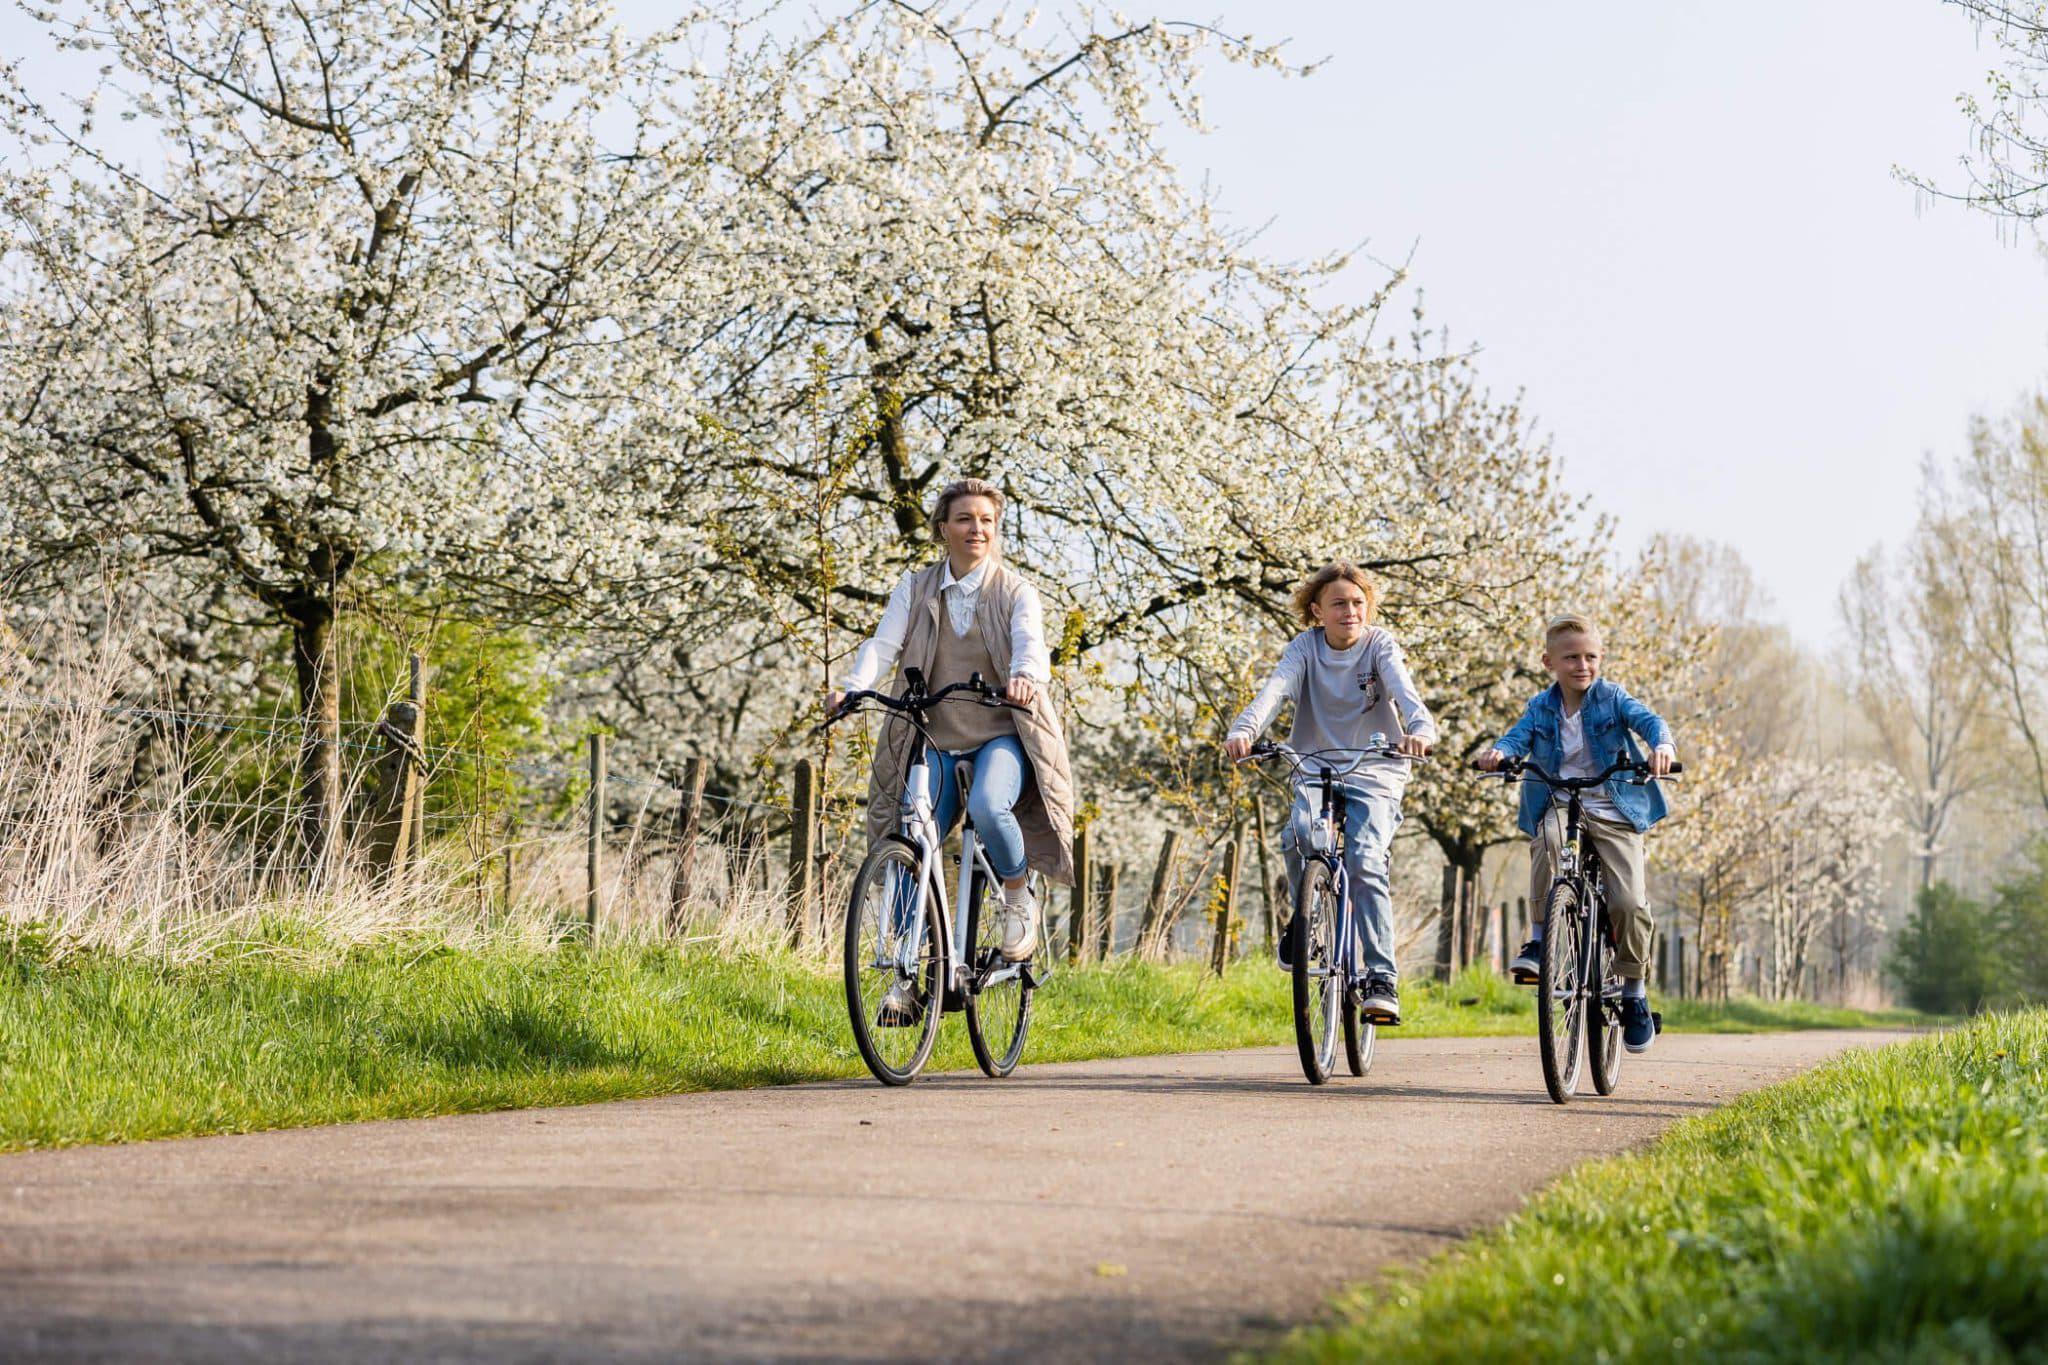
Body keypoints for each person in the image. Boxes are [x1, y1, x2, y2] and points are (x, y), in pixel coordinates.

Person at [829, 478, 1075, 1025]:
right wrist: (851, 686)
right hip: (934, 735)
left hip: (1001, 734)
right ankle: (905, 974)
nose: (977, 530)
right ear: (943, 529)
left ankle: (1015, 898)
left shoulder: (1015, 591)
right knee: (912, 837)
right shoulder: (915, 588)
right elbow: (883, 643)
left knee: (989, 807)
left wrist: (1025, 677)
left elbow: (1031, 644)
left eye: (986, 521)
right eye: (965, 519)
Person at [1223, 561, 1436, 1025]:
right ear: (1318, 611)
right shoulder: (1305, 648)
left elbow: (1403, 689)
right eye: (1339, 604)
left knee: (1364, 858)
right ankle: (1305, 921)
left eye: (1358, 603)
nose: (1350, 611)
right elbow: (1274, 691)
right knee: (1295, 836)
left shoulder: (1379, 644)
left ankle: (1381, 978)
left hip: (1375, 768)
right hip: (1314, 764)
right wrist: (1244, 729)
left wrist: (1419, 729)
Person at [1477, 613, 1677, 1053]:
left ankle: (1634, 991)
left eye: (1590, 657)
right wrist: (1499, 754)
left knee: (1627, 901)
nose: (1582, 665)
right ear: (1549, 662)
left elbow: (1649, 721)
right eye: (1571, 658)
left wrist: (1662, 747)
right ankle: (1537, 938)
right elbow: (1517, 738)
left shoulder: (1612, 698)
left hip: (1614, 805)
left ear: (1601, 658)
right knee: (1547, 841)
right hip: (1560, 800)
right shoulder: (1540, 707)